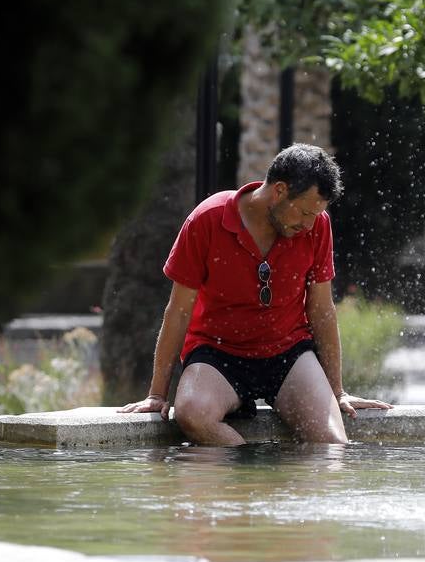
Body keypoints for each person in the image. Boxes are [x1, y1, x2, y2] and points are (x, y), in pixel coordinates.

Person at [118, 144, 393, 445]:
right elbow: (179, 311)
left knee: (331, 444)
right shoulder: (206, 220)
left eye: (316, 215)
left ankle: (278, 486)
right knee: (192, 414)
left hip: (288, 353)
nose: (309, 224)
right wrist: (157, 394)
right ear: (279, 190)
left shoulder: (317, 227)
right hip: (217, 353)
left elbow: (321, 309)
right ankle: (252, 478)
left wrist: (337, 391)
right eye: (304, 212)